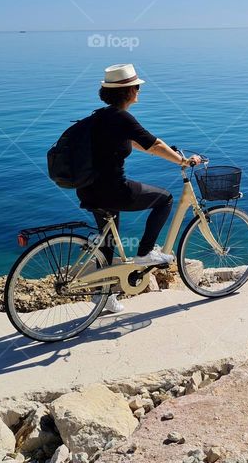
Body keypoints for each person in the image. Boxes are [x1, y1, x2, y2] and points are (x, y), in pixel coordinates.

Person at [77, 63, 200, 313]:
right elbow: (153, 144)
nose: (139, 92)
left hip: (89, 189)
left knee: (108, 240)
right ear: (129, 92)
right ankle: (145, 253)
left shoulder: (100, 116)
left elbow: (139, 143)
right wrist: (183, 161)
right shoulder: (122, 117)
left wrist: (168, 152)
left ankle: (103, 296)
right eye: (137, 88)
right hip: (113, 190)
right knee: (164, 199)